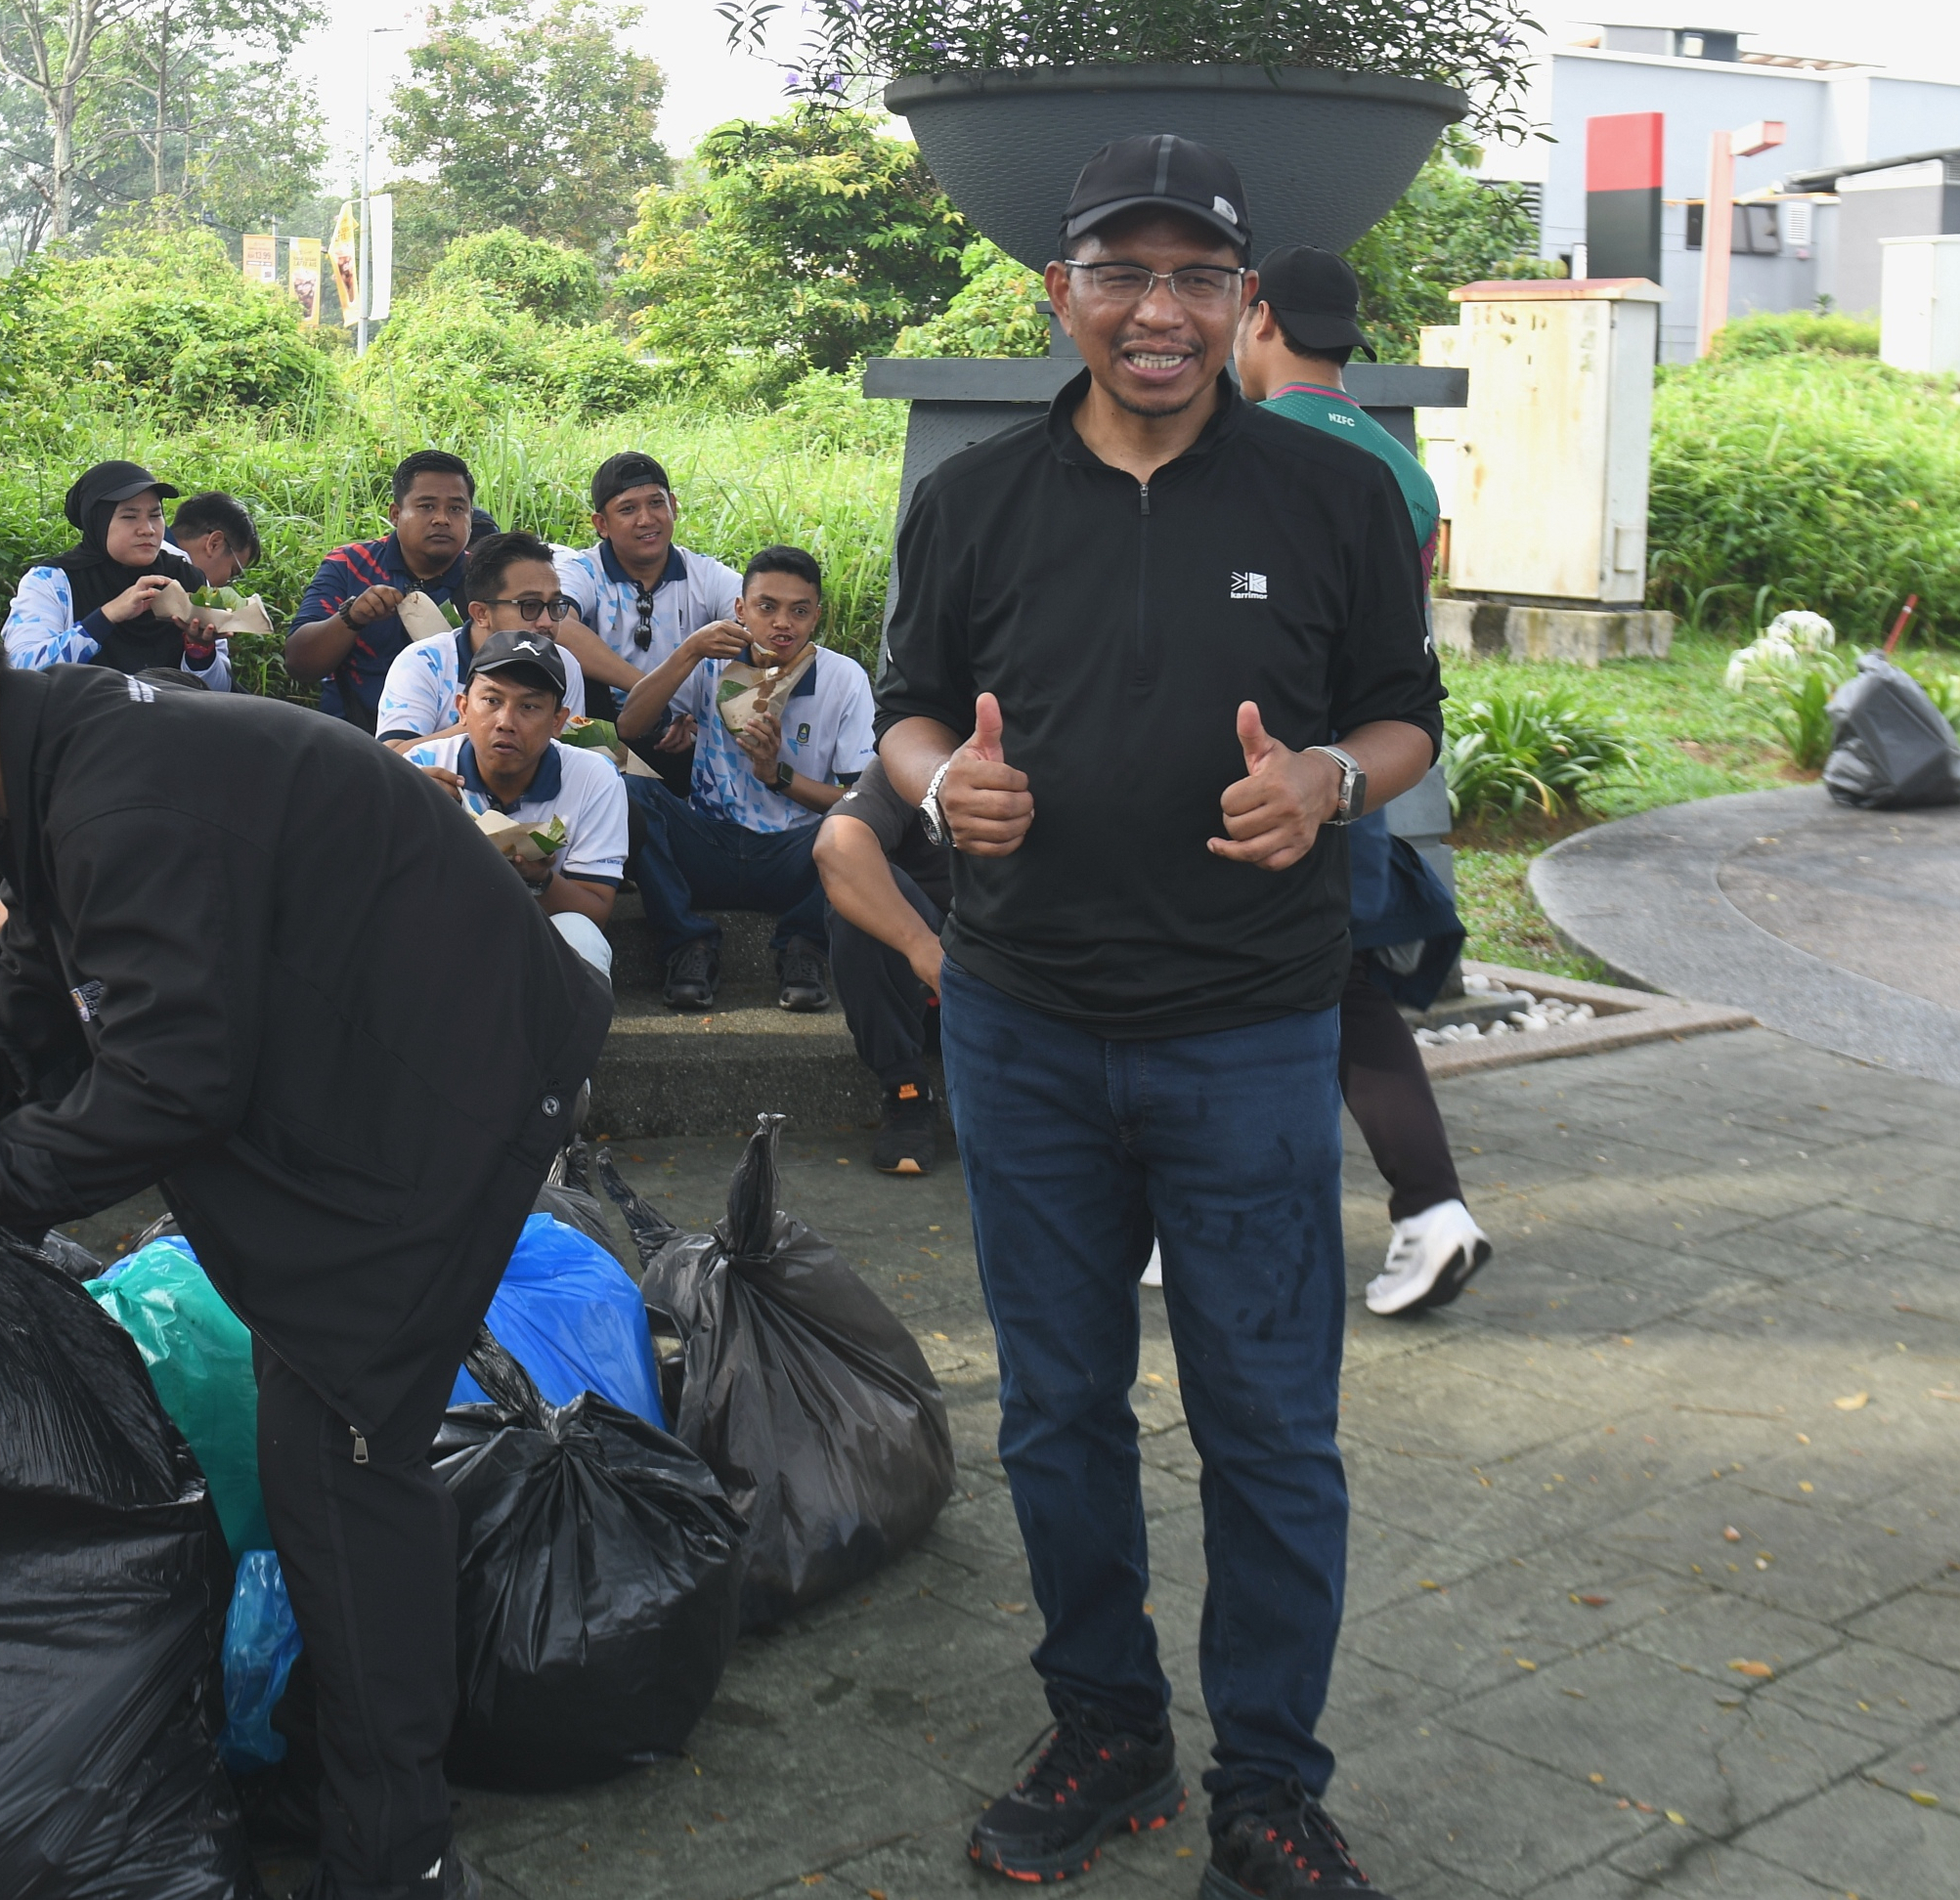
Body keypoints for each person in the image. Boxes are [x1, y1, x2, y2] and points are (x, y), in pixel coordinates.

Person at [0, 567, 606, 1900]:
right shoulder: (54, 750)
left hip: (450, 1079)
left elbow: (170, 1081)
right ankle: (352, 1766)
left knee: (342, 1449)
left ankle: (396, 1850)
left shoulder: (115, 788)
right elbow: (39, 971)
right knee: (318, 1421)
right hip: (359, 1040)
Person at [873, 135, 1440, 1899]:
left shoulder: (1331, 495)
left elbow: (1401, 713)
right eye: (1117, 272)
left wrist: (1333, 782)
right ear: (1058, 294)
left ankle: (1267, 1780)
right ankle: (1102, 1722)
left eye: (1194, 276)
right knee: (1054, 1406)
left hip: (1252, 1032)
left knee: (1268, 1419)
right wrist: (937, 780)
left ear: (1238, 303)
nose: (1154, 310)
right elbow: (900, 713)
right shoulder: (970, 502)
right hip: (1022, 1026)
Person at [1237, 242, 1491, 1315]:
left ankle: (1189, 1226)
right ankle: (1430, 1210)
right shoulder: (1405, 467)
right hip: (1360, 774)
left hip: (1255, 776)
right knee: (1343, 991)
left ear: (1256, 318)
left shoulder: (1247, 450)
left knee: (1222, 1000)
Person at [616, 546, 879, 1015]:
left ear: (816, 616)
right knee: (631, 793)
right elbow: (629, 728)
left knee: (858, 830)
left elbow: (858, 799)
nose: (782, 623)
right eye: (766, 607)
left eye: (799, 611)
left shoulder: (844, 679)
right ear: (740, 609)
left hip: (795, 856)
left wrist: (778, 776)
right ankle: (687, 945)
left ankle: (804, 947)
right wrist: (689, 650)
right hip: (709, 845)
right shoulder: (713, 662)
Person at [397, 626, 628, 985]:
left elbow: (595, 909)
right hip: (442, 927)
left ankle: (563, 1039)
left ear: (557, 722)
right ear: (463, 708)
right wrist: (416, 816)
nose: (506, 722)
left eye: (529, 706)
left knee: (580, 935)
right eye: (491, 700)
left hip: (536, 930)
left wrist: (538, 879)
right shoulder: (421, 766)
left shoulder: (594, 777)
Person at [808, 759, 955, 1176]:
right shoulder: (918, 753)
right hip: (930, 983)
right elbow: (837, 847)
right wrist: (922, 947)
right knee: (860, 887)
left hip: (1029, 983)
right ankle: (906, 1089)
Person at [551, 451, 743, 745]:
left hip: (695, 733)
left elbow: (761, 627)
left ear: (674, 506)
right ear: (601, 524)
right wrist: (653, 696)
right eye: (628, 509)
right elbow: (557, 624)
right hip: (605, 736)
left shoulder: (707, 575)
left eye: (656, 503)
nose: (646, 519)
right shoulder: (584, 572)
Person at [1, 461, 235, 692]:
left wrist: (200, 650)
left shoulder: (188, 578)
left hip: (172, 723)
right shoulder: (53, 582)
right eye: (129, 517)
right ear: (98, 521)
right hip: (84, 724)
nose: (148, 529)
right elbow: (24, 673)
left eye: (155, 515)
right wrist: (106, 616)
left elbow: (220, 691)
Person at [285, 451, 476, 730]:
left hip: (454, 746)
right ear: (396, 514)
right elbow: (300, 664)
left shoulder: (486, 577)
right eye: (426, 506)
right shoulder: (349, 565)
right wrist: (351, 618)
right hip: (352, 741)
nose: (442, 519)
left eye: (456, 509)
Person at [370, 530, 588, 749]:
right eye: (529, 606)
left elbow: (567, 754)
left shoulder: (563, 664)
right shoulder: (424, 662)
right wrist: (482, 723)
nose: (547, 622)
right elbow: (393, 756)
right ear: (481, 614)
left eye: (554, 606)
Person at [170, 490, 260, 590]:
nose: (225, 584)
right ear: (214, 544)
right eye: (232, 572)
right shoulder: (180, 583)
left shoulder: (153, 550)